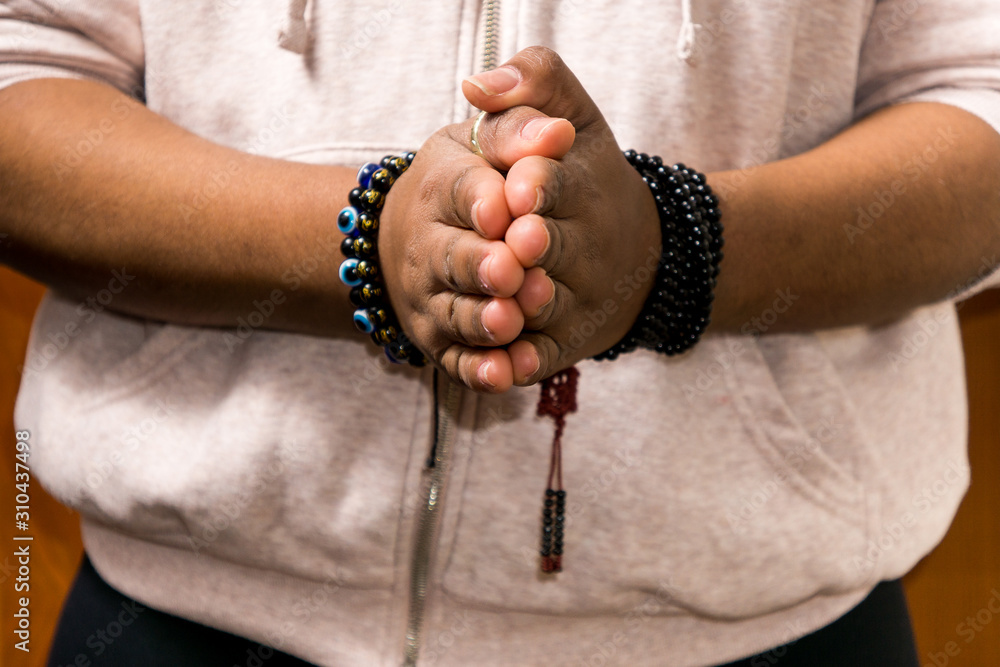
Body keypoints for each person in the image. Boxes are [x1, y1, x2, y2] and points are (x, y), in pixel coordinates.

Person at [2, 1, 999, 665]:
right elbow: (24, 62)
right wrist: (366, 242)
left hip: (774, 631)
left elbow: (976, 96)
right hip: (177, 622)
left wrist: (674, 251)